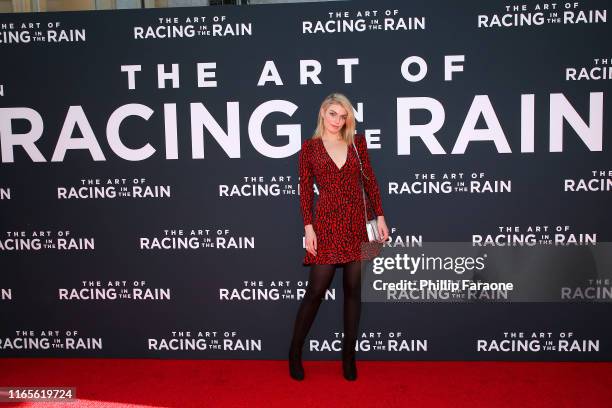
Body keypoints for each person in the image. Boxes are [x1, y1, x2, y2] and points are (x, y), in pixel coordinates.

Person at [288, 93, 389, 381]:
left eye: (343, 116)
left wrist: (380, 217)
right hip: (327, 224)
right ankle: (295, 350)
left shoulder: (357, 144)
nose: (338, 120)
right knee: (316, 291)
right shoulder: (310, 148)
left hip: (359, 224)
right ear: (323, 113)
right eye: (333, 114)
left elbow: (370, 181)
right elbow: (305, 190)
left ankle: (349, 355)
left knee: (354, 290)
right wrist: (308, 226)